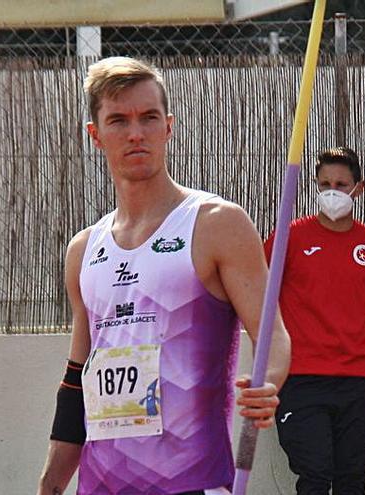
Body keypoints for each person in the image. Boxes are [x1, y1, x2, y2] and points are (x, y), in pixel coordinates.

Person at [36, 56, 291, 495]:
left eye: (148, 117)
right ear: (95, 135)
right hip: (101, 485)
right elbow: (78, 377)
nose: (136, 133)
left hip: (192, 480)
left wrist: (268, 382)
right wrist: (51, 483)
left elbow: (273, 335)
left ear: (168, 127)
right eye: (118, 120)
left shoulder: (215, 223)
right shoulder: (83, 250)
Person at [266, 147, 365, 494]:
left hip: (356, 381)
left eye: (341, 184)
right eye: (325, 183)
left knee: (351, 479)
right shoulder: (290, 237)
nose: (332, 191)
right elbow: (256, 290)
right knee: (314, 475)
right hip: (300, 380)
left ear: (358, 188)